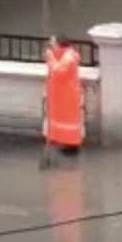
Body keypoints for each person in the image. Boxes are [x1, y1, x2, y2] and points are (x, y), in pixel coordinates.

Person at [42, 34, 84, 164]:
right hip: (61, 95)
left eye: (53, 43)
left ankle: (72, 146)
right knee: (62, 121)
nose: (51, 45)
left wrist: (50, 58)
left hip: (67, 96)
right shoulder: (64, 55)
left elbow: (59, 72)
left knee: (69, 123)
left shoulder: (68, 57)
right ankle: (66, 143)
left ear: (59, 44)